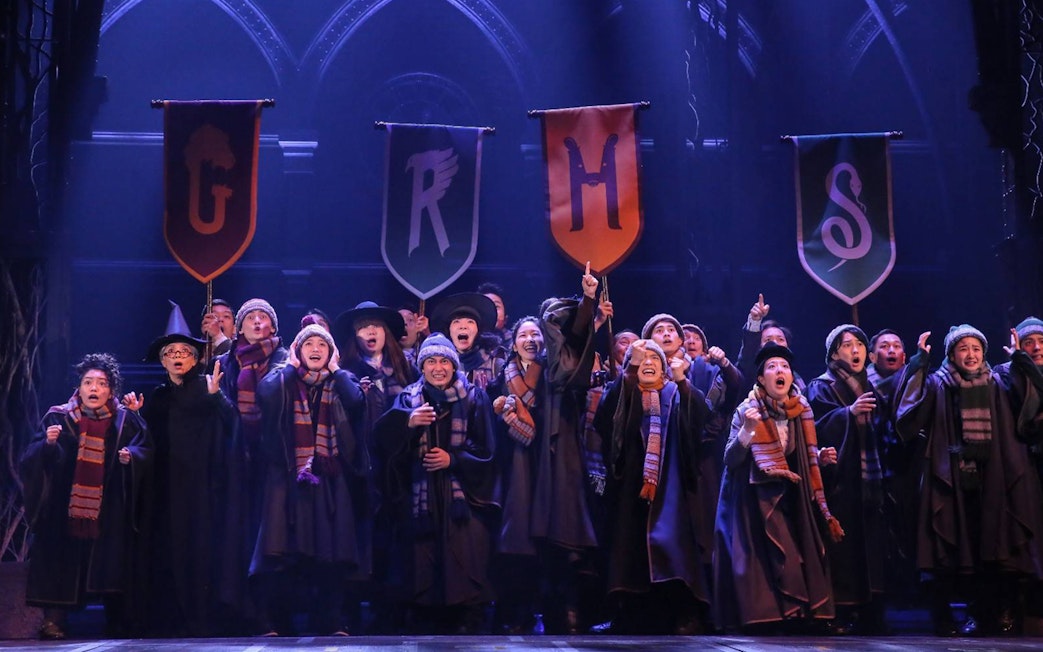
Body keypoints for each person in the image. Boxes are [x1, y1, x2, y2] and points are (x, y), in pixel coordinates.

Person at [893, 325, 1043, 635]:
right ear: (951, 354)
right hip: (952, 477)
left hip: (995, 478)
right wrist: (919, 363)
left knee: (995, 546)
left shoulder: (999, 382)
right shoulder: (938, 384)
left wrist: (1021, 360)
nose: (971, 354)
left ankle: (998, 612)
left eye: (976, 348)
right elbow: (908, 414)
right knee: (950, 547)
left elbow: (1033, 401)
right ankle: (946, 617)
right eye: (963, 349)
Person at [489, 268, 600, 634]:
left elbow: (576, 337)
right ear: (513, 343)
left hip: (553, 462)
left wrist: (587, 300)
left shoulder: (556, 373)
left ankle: (560, 611)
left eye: (535, 333)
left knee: (557, 538)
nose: (530, 339)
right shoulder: (501, 379)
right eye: (523, 335)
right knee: (519, 545)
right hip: (519, 464)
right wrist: (502, 411)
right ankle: (517, 614)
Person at [372, 333, 499, 634]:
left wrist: (453, 459)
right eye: (431, 361)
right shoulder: (407, 399)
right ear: (422, 366)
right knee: (420, 560)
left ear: (454, 366)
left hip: (462, 498)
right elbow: (383, 449)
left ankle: (467, 617)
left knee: (465, 558)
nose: (438, 368)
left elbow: (489, 451)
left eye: (444, 361)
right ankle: (424, 614)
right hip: (420, 495)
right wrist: (407, 423)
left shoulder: (473, 398)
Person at [713, 343, 843, 634]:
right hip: (750, 497)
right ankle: (765, 617)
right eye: (772, 367)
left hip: (789, 494)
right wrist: (747, 430)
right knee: (761, 559)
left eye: (784, 367)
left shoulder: (801, 410)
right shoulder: (747, 410)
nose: (779, 371)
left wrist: (819, 457)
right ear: (761, 379)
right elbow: (730, 460)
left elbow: (799, 455)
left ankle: (799, 615)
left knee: (797, 553)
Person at [21, 353, 152, 640]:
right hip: (64, 508)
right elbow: (30, 460)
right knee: (61, 563)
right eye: (88, 382)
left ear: (111, 389)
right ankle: (53, 621)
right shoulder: (58, 416)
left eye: (101, 383)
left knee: (112, 564)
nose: (94, 389)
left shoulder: (125, 421)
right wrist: (48, 445)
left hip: (110, 507)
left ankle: (117, 621)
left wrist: (133, 457)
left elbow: (147, 451)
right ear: (78, 387)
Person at [250, 324, 365, 636]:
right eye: (309, 344)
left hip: (328, 477)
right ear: (297, 351)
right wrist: (289, 367)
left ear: (331, 353)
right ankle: (273, 620)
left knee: (330, 550)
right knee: (280, 549)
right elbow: (266, 394)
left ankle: (330, 619)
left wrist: (337, 371)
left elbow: (356, 403)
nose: (316, 349)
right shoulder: (283, 379)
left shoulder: (340, 380)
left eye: (322, 345)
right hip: (287, 476)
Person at [593, 338, 712, 634]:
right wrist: (628, 373)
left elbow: (702, 417)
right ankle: (628, 616)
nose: (648, 363)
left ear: (665, 369)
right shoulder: (626, 392)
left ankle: (684, 614)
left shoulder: (676, 392)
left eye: (654, 360)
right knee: (630, 550)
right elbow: (605, 418)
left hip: (671, 489)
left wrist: (683, 380)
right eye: (641, 359)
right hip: (631, 490)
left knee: (673, 549)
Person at [140, 301, 232, 637]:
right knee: (170, 552)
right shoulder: (159, 397)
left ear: (195, 358)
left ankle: (202, 621)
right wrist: (135, 415)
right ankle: (172, 621)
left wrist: (217, 397)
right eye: (171, 352)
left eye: (185, 351)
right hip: (167, 489)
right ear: (163, 360)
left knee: (201, 552)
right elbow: (146, 443)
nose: (178, 356)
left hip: (203, 487)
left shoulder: (207, 386)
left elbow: (235, 425)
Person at [333, 300, 419, 632]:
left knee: (393, 544)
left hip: (396, 469)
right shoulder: (346, 372)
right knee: (357, 541)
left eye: (376, 325)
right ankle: (352, 614)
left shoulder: (405, 370)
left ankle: (391, 615)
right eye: (362, 326)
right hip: (357, 469)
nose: (370, 331)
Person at [806, 325, 888, 634]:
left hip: (869, 480)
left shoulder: (874, 386)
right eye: (846, 345)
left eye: (860, 344)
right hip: (841, 479)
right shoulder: (821, 386)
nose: (855, 350)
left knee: (873, 548)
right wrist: (848, 413)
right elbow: (816, 425)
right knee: (844, 549)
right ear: (833, 353)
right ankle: (840, 611)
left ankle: (873, 611)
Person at [214, 297, 288, 633]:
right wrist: (216, 397)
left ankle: (270, 614)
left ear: (273, 326)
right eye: (251, 318)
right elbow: (222, 414)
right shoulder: (225, 362)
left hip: (274, 460)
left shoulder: (285, 359)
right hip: (237, 459)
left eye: (264, 318)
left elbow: (279, 403)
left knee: (271, 538)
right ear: (239, 326)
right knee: (238, 537)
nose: (258, 323)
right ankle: (242, 613)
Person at [430, 292, 505, 390]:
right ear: (449, 330)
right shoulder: (439, 367)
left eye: (470, 322)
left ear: (478, 330)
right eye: (456, 321)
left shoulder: (496, 365)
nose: (463, 326)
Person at [734, 294, 805, 393]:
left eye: (780, 339)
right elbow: (748, 352)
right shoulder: (752, 370)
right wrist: (755, 321)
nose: (775, 343)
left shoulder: (796, 379)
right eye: (768, 340)